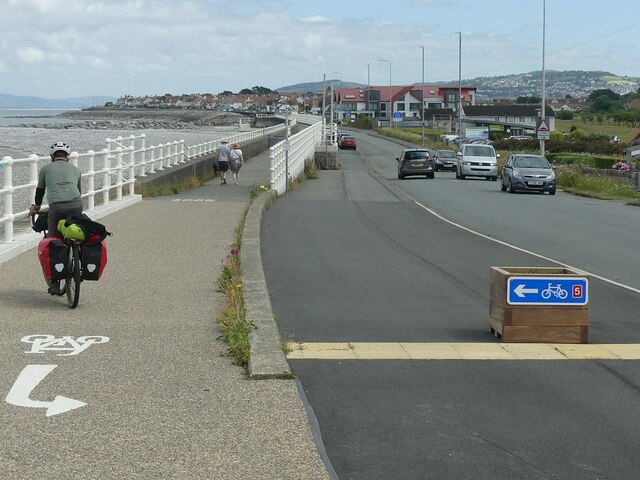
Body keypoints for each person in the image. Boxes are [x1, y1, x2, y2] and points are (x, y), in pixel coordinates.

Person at [29, 141, 82, 295]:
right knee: (77, 232)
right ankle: (79, 252)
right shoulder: (76, 170)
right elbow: (77, 191)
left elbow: (40, 191)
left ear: (52, 157)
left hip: (57, 208)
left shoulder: (45, 169)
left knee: (54, 240)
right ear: (68, 157)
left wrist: (36, 207)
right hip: (77, 205)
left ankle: (54, 284)